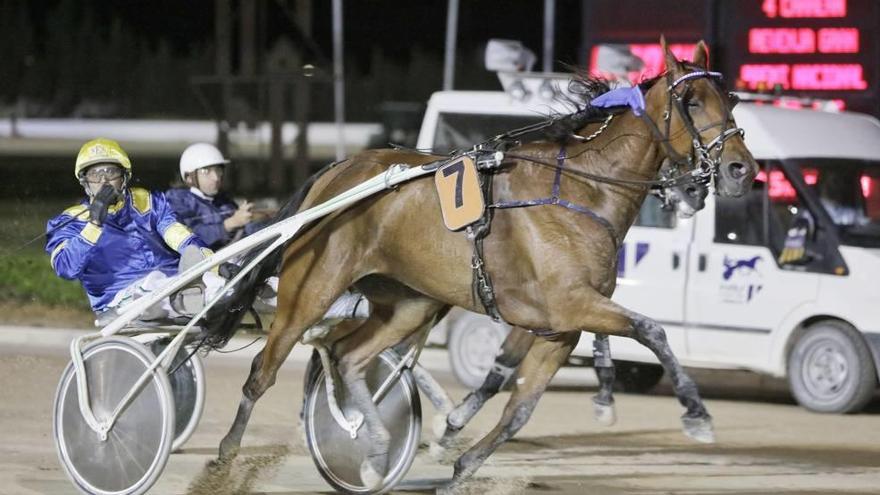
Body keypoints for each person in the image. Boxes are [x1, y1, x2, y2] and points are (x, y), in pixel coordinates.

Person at [45, 138, 214, 323]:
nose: (104, 181)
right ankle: (183, 297)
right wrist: (94, 224)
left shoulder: (148, 201)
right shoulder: (69, 221)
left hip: (171, 281)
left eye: (110, 172)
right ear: (85, 181)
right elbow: (66, 268)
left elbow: (178, 235)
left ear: (124, 177)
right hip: (119, 301)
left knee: (218, 281)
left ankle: (193, 293)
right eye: (95, 174)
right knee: (152, 284)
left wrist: (214, 263)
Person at [165, 143, 264, 250]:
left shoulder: (223, 200)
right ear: (189, 177)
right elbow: (189, 239)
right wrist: (230, 223)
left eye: (218, 170)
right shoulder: (176, 200)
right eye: (206, 171)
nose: (216, 177)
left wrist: (255, 220)